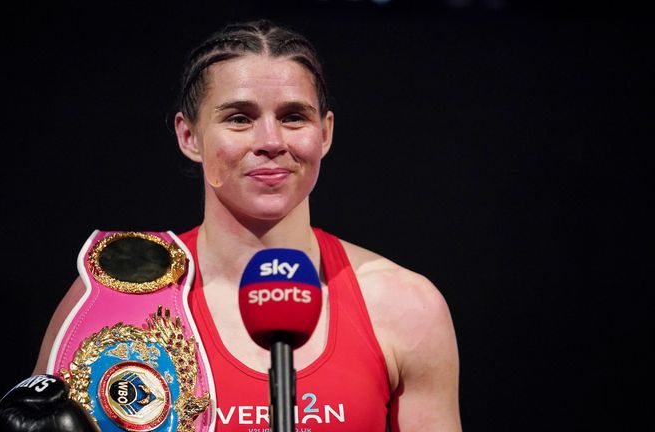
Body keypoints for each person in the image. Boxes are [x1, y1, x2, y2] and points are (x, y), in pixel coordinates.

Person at [33, 19, 462, 431]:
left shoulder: (406, 308)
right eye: (239, 118)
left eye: (294, 116)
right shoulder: (115, 296)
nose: (271, 142)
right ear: (189, 136)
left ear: (325, 133)